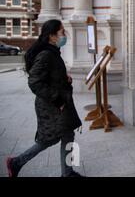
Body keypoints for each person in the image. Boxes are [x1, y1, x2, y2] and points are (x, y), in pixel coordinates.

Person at [6, 19, 83, 177]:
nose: (65, 35)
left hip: (59, 103)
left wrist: (64, 78)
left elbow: (49, 76)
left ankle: (68, 173)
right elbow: (34, 81)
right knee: (48, 140)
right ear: (52, 36)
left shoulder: (53, 52)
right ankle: (16, 162)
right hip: (52, 106)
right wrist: (57, 99)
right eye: (62, 32)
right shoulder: (46, 54)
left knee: (68, 133)